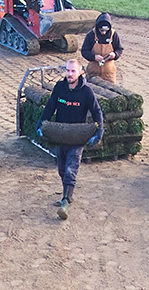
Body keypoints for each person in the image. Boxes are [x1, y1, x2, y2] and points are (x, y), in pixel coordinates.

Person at [38, 58, 104, 221]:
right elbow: (50, 107)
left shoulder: (87, 92)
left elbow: (97, 112)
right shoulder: (60, 88)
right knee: (62, 169)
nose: (69, 74)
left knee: (70, 170)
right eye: (67, 70)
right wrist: (40, 125)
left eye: (73, 71)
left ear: (80, 72)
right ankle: (66, 195)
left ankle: (66, 203)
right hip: (61, 135)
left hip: (77, 136)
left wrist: (98, 132)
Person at [80, 13, 123, 82]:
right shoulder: (91, 35)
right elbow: (84, 51)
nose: (103, 33)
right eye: (101, 30)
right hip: (93, 72)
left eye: (106, 31)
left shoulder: (114, 34)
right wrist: (93, 57)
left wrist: (115, 54)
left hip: (109, 74)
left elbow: (119, 49)